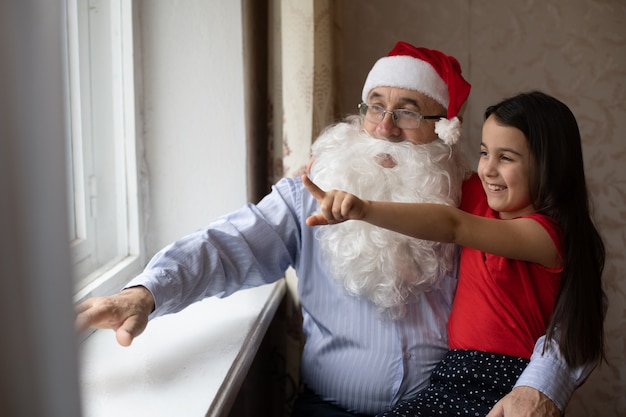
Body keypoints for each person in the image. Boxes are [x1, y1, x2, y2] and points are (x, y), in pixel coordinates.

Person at [75, 42, 588, 416]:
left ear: (443, 129)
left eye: (408, 112)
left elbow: (570, 296)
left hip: (461, 402)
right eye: (376, 107)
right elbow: (226, 247)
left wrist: (541, 386)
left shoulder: (473, 199)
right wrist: (146, 291)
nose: (385, 126)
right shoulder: (311, 190)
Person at [303, 91, 606, 416]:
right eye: (484, 152)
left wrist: (364, 209)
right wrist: (329, 167)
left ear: (549, 165)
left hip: (499, 381)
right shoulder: (477, 195)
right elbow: (415, 172)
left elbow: (452, 226)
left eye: (506, 158)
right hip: (452, 376)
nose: (488, 169)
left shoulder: (545, 235)